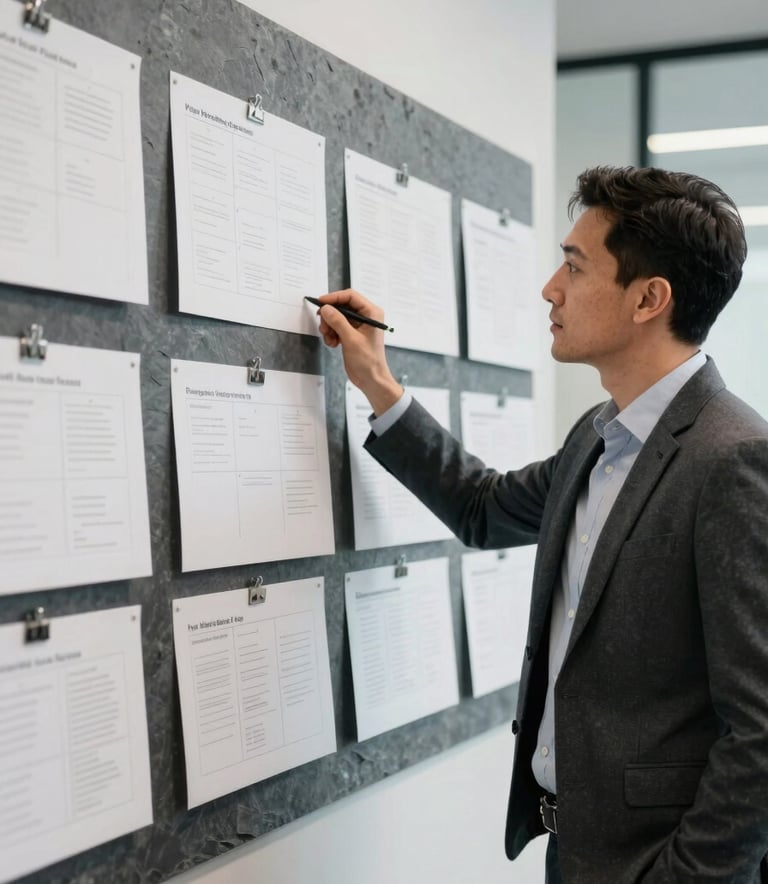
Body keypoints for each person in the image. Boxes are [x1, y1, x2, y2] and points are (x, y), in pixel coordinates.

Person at [311, 165, 768, 883]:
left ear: (649, 298)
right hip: (572, 850)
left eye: (575, 266)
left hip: (656, 866)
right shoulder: (599, 434)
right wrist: (377, 382)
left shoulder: (734, 459)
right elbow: (483, 508)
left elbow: (762, 730)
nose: (551, 288)